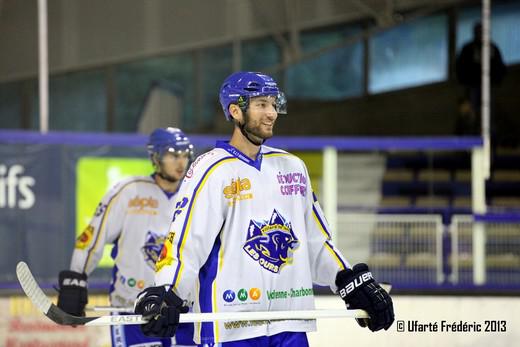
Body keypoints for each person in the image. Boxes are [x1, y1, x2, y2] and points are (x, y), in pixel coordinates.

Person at [134, 72, 394, 346]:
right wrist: (167, 290)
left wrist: (349, 280)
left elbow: (316, 242)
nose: (271, 113)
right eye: (261, 105)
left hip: (291, 322)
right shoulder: (210, 169)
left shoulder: (293, 167)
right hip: (232, 326)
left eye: (273, 104)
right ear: (236, 111)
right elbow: (186, 242)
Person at [57, 127, 196, 347]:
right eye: (172, 154)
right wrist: (76, 279)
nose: (181, 162)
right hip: (133, 307)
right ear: (156, 157)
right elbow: (93, 238)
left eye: (185, 154)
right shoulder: (128, 191)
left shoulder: (195, 194)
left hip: (181, 310)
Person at [455, 22, 506, 133]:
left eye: (482, 32)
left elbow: (499, 65)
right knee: (471, 112)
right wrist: (465, 81)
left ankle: (489, 134)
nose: (480, 34)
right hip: (473, 85)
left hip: (488, 85)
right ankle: (472, 133)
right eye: (478, 32)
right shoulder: (468, 48)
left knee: (489, 111)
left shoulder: (492, 47)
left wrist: (497, 80)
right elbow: (460, 66)